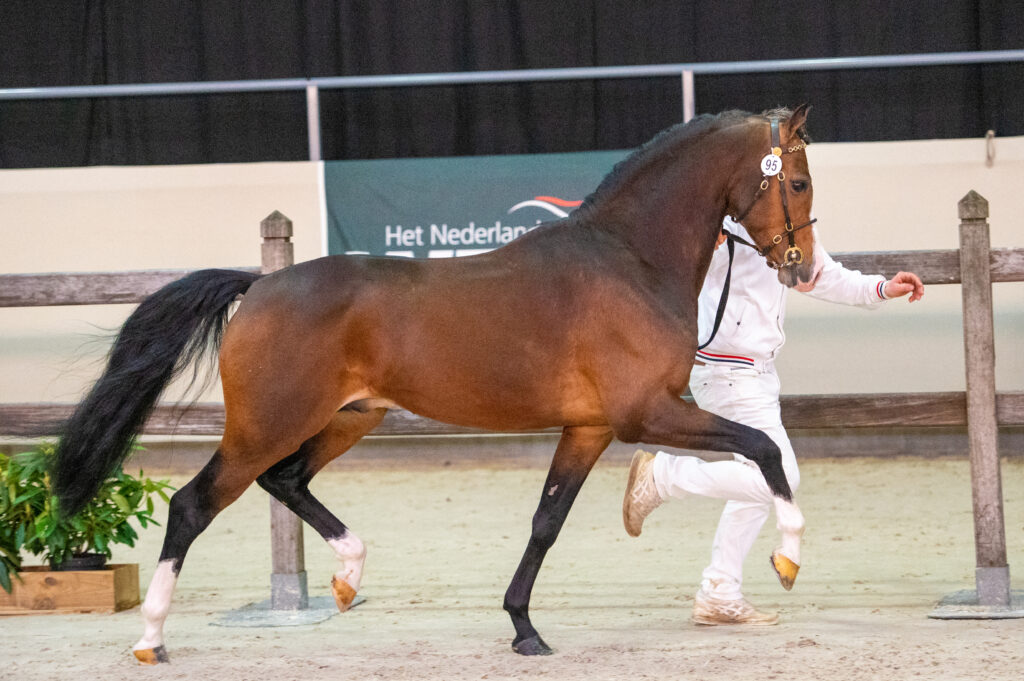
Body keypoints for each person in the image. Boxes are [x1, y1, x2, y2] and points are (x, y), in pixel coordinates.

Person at [622, 216, 924, 626]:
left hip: (758, 374)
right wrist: (702, 244)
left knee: (755, 486)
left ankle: (719, 591)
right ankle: (664, 477)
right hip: (726, 373)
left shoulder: (790, 223)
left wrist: (882, 289)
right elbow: (674, 266)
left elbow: (821, 276)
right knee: (781, 477)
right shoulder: (721, 223)